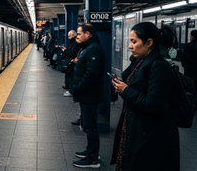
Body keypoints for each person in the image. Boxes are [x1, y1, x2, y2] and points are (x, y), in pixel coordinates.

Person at [111, 22, 179, 171]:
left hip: (151, 136)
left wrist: (126, 90)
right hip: (136, 128)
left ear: (149, 43)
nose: (130, 46)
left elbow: (154, 104)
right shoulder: (140, 62)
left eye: (134, 42)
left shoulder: (159, 67)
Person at [70, 23, 105, 168]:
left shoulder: (93, 49)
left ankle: (92, 159)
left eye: (79, 34)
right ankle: (90, 151)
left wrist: (77, 88)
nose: (78, 37)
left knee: (91, 127)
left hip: (89, 95)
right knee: (89, 125)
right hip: (87, 95)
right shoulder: (90, 48)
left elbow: (91, 74)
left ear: (88, 34)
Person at [62, 30, 79, 96]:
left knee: (72, 77)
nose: (68, 37)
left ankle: (72, 91)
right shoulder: (73, 43)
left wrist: (65, 51)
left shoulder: (75, 43)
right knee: (70, 75)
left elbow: (72, 53)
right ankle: (69, 88)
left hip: (73, 62)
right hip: (72, 62)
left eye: (69, 36)